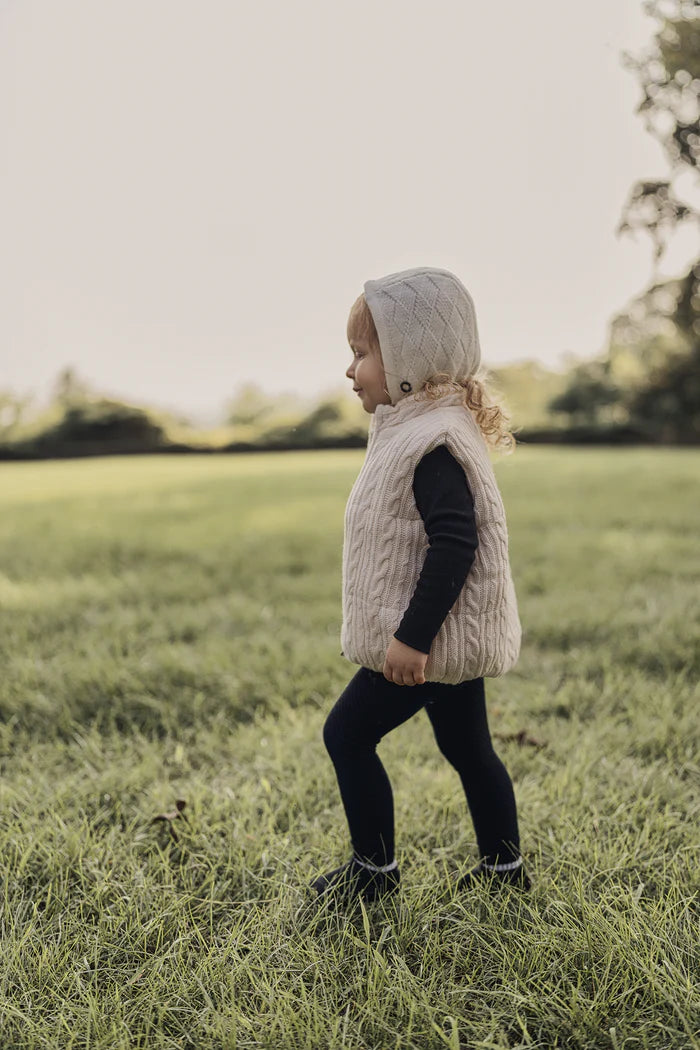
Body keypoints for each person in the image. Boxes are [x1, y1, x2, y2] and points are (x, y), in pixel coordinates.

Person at [309, 266, 531, 904]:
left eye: (361, 353)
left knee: (346, 735)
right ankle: (503, 874)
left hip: (420, 642)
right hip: (439, 638)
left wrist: (410, 638)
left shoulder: (433, 441)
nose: (350, 370)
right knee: (468, 749)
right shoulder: (415, 426)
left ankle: (372, 877)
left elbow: (458, 544)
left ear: (408, 359)